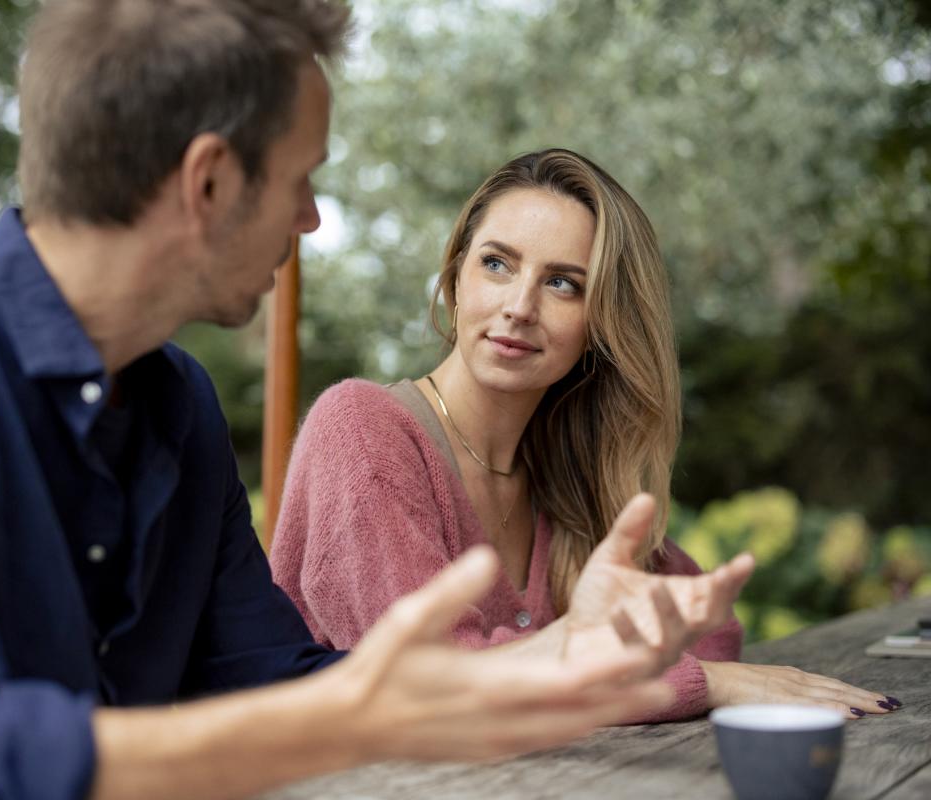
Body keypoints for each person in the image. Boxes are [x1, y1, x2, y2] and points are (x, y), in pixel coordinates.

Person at [0, 4, 757, 799]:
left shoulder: (173, 401)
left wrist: (561, 656)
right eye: (300, 180)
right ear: (211, 182)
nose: (310, 217)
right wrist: (346, 714)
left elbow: (274, 676)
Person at [270, 148, 898, 723]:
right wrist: (700, 684)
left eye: (563, 283)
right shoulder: (362, 431)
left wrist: (675, 667)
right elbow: (434, 681)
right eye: (497, 264)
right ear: (456, 277)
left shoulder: (567, 474)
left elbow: (707, 632)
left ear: (601, 322)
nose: (520, 306)